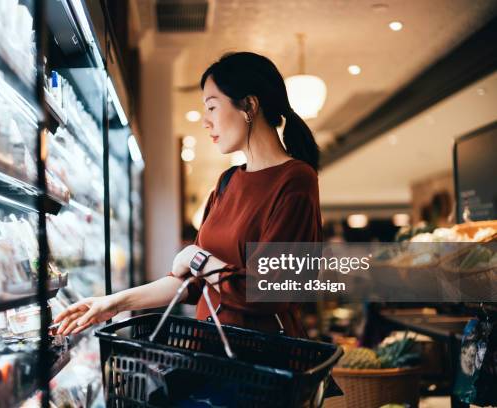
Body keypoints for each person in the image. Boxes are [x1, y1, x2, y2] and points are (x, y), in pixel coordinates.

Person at [54, 52, 322, 337]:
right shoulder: (228, 182)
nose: (205, 121)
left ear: (249, 106)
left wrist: (197, 258)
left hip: (260, 367)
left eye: (212, 107)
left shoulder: (295, 179)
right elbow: (190, 282)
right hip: (212, 358)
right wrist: (113, 303)